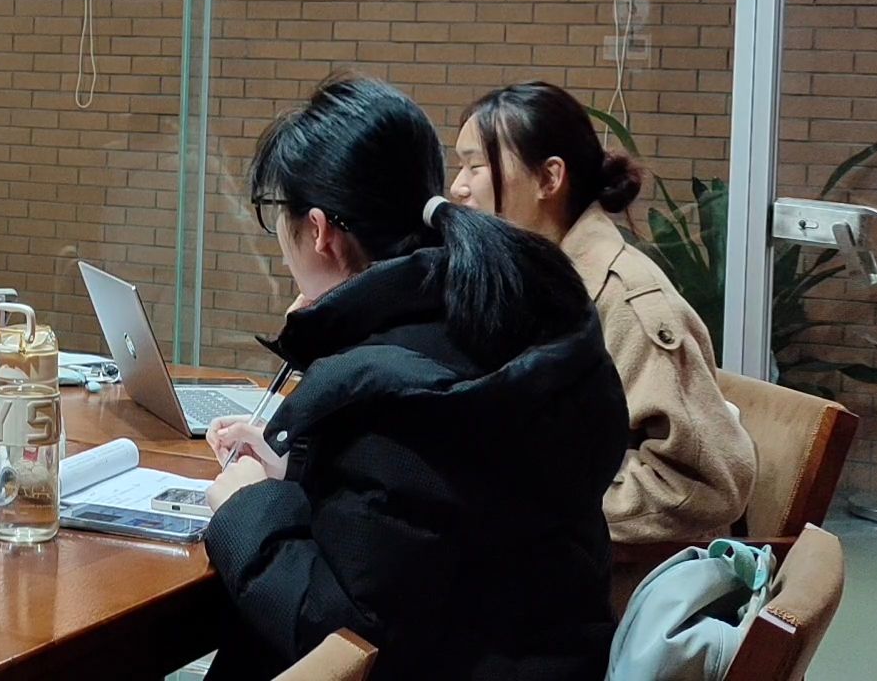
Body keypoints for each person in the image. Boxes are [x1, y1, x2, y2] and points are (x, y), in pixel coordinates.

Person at [202, 75, 629, 681]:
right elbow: (432, 535)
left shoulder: (387, 395)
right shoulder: (498, 313)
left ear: (319, 231)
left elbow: (343, 639)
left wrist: (248, 507)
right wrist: (301, 473)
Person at [452, 82, 755, 544]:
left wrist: (527, 506)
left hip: (580, 572)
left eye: (476, 166)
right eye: (460, 166)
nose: (458, 188)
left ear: (549, 179)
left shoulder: (628, 301)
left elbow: (704, 486)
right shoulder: (526, 278)